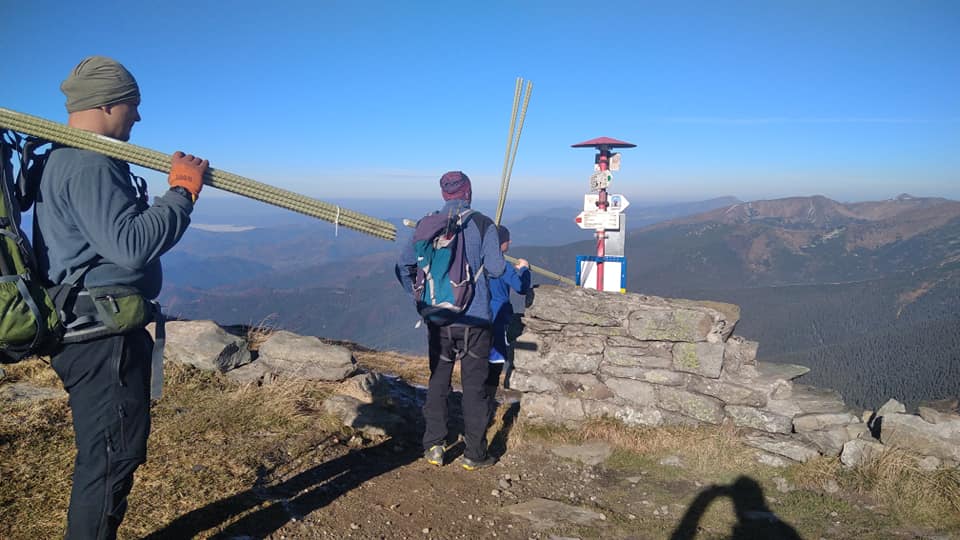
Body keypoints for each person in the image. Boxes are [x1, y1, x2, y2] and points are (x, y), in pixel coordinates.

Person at [33, 56, 207, 539]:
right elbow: (131, 246)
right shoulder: (89, 162)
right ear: (108, 103)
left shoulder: (65, 155)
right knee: (111, 457)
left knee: (109, 452)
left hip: (90, 330)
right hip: (100, 339)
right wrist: (181, 193)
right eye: (133, 104)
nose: (138, 115)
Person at [396, 171, 506, 470]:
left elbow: (404, 265)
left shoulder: (427, 223)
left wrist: (419, 300)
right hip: (475, 320)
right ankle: (474, 454)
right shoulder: (483, 224)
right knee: (474, 387)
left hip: (438, 319)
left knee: (438, 380)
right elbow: (496, 269)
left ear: (444, 194)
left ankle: (434, 446)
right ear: (468, 191)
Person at [485, 225, 530, 406]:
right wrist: (524, 269)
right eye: (507, 239)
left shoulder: (479, 261)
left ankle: (475, 398)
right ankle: (488, 400)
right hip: (499, 314)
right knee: (495, 360)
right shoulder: (501, 265)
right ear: (500, 243)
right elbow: (521, 287)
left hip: (479, 314)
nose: (510, 242)